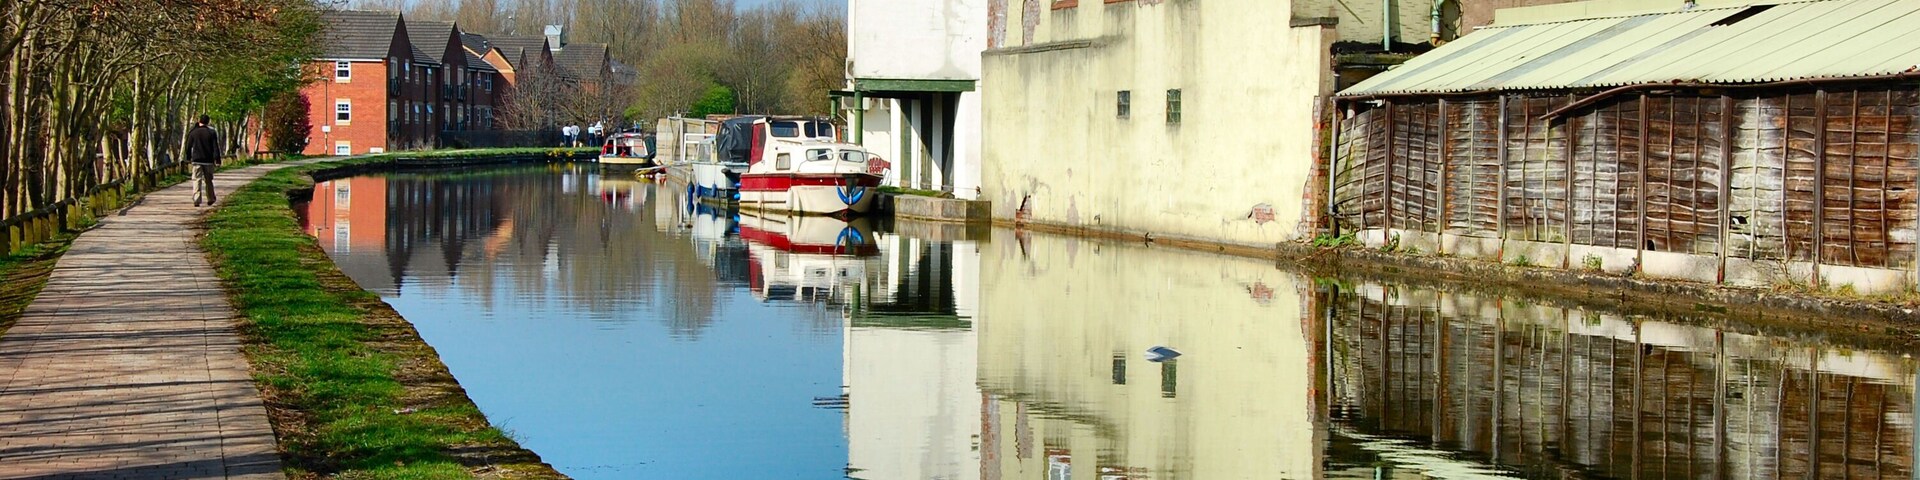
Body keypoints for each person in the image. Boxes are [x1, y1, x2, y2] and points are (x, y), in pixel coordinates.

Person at [185, 115, 221, 207]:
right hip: (208, 160)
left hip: (196, 160)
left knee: (197, 180)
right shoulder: (211, 132)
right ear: (208, 122)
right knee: (208, 180)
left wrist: (188, 158)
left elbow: (188, 147)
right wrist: (217, 159)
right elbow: (215, 147)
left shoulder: (193, 132)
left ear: (199, 121)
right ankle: (211, 198)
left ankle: (197, 199)